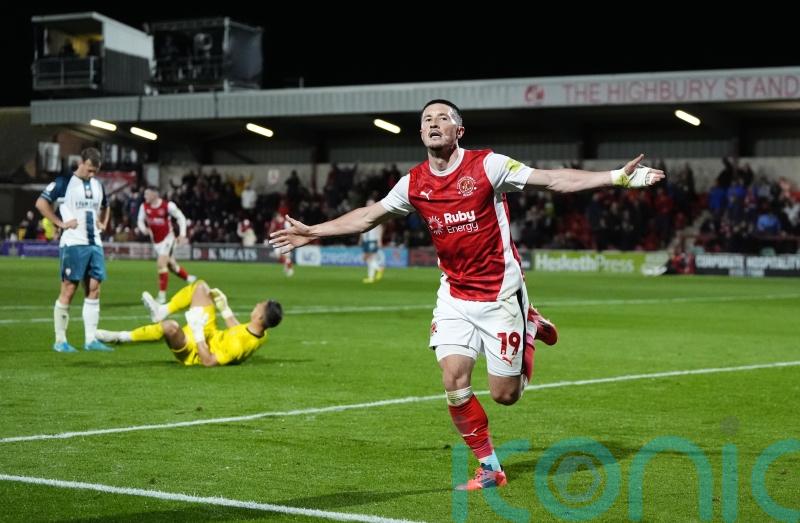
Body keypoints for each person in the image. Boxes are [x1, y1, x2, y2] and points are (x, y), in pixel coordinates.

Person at [270, 99, 665, 490]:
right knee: (454, 381)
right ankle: (490, 468)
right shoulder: (414, 183)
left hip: (500, 295)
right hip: (455, 295)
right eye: (427, 119)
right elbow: (369, 216)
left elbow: (553, 179)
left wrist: (616, 176)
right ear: (421, 132)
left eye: (443, 117)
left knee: (504, 395)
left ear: (460, 131)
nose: (433, 122)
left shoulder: (488, 166)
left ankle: (529, 326)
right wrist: (313, 231)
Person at [35, 147, 113, 353]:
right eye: (89, 169)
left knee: (95, 289)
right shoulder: (63, 183)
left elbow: (106, 205)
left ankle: (90, 340)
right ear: (81, 162)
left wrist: (103, 223)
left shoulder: (98, 185)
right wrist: (59, 223)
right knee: (69, 290)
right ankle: (60, 341)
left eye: (95, 171)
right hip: (73, 244)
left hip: (94, 243)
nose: (92, 174)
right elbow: (41, 203)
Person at [96, 281, 282, 367]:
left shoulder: (236, 347)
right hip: (210, 333)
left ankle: (121, 337)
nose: (257, 304)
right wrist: (223, 307)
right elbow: (237, 330)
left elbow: (208, 361)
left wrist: (198, 331)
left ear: (259, 318)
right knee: (201, 287)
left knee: (170, 327)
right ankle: (162, 310)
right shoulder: (261, 333)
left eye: (261, 306)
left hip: (195, 350)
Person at [137, 187, 196, 303]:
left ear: (154, 194)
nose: (145, 197)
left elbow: (181, 217)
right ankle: (190, 279)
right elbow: (139, 220)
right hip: (156, 242)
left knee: (161, 263)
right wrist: (143, 229)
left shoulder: (168, 206)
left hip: (168, 239)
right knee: (171, 265)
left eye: (147, 194)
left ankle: (162, 296)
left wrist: (182, 234)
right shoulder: (144, 207)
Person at [359, 199, 384, 283]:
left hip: (372, 240)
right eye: (368, 203)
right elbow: (362, 228)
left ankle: (379, 269)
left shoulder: (375, 214)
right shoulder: (365, 214)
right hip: (367, 240)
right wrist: (361, 239)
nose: (368, 205)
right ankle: (371, 277)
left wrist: (379, 240)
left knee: (367, 258)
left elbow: (379, 227)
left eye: (370, 203)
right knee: (370, 259)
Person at [268, 212, 294, 277]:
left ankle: (290, 269)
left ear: (279, 216)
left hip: (285, 242)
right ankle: (286, 267)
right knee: (277, 254)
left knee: (286, 256)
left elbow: (290, 232)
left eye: (276, 217)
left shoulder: (285, 223)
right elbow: (271, 232)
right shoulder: (274, 223)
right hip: (278, 242)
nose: (276, 219)